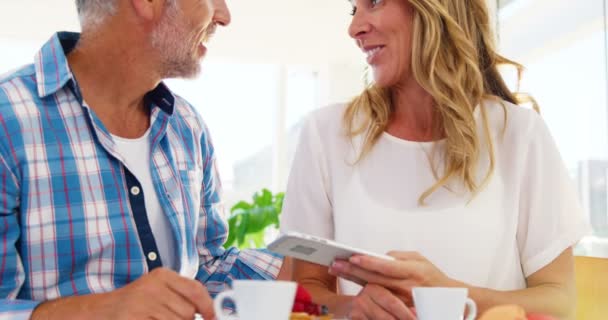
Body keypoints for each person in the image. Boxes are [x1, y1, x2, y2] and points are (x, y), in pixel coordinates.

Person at [280, 0, 589, 319]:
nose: (354, 28)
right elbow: (307, 288)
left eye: (373, 2)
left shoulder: (520, 134)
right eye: (353, 9)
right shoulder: (325, 134)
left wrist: (446, 294)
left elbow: (559, 301)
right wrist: (350, 307)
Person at [0, 0, 287, 319]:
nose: (224, 16)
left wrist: (317, 272)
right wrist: (102, 309)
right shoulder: (7, 120)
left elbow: (205, 269)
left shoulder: (186, 126)